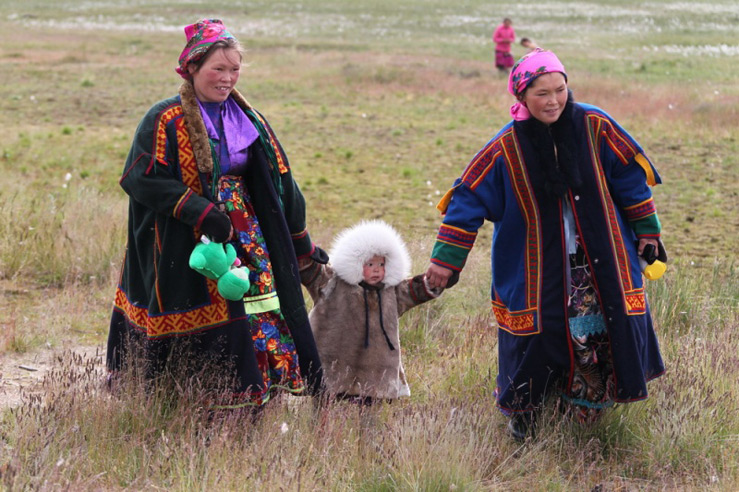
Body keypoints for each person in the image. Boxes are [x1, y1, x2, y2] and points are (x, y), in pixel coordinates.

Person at [425, 49, 666, 440]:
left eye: (560, 89)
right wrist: (446, 261)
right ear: (521, 96)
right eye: (542, 93)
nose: (553, 100)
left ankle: (587, 412)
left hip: (598, 258)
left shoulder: (595, 125)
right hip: (534, 266)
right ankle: (529, 415)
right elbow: (466, 200)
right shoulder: (504, 148)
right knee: (539, 333)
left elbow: (629, 176)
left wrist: (648, 231)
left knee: (599, 328)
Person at [106, 19, 325, 409]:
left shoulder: (248, 118)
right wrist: (200, 210)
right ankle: (186, 397)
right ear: (191, 68)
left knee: (251, 304)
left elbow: (281, 180)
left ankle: (252, 394)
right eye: (218, 69)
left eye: (234, 69)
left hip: (248, 234)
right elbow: (140, 175)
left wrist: (300, 240)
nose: (227, 79)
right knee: (202, 309)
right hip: (182, 239)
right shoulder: (165, 119)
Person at [300, 220, 445, 405]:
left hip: (375, 366)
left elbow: (419, 290)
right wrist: (301, 246)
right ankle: (319, 431)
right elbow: (307, 268)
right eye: (370, 264)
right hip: (334, 359)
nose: (377, 269)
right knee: (323, 400)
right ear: (356, 262)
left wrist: (436, 280)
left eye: (381, 264)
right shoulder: (332, 283)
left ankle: (367, 432)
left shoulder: (393, 293)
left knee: (371, 407)